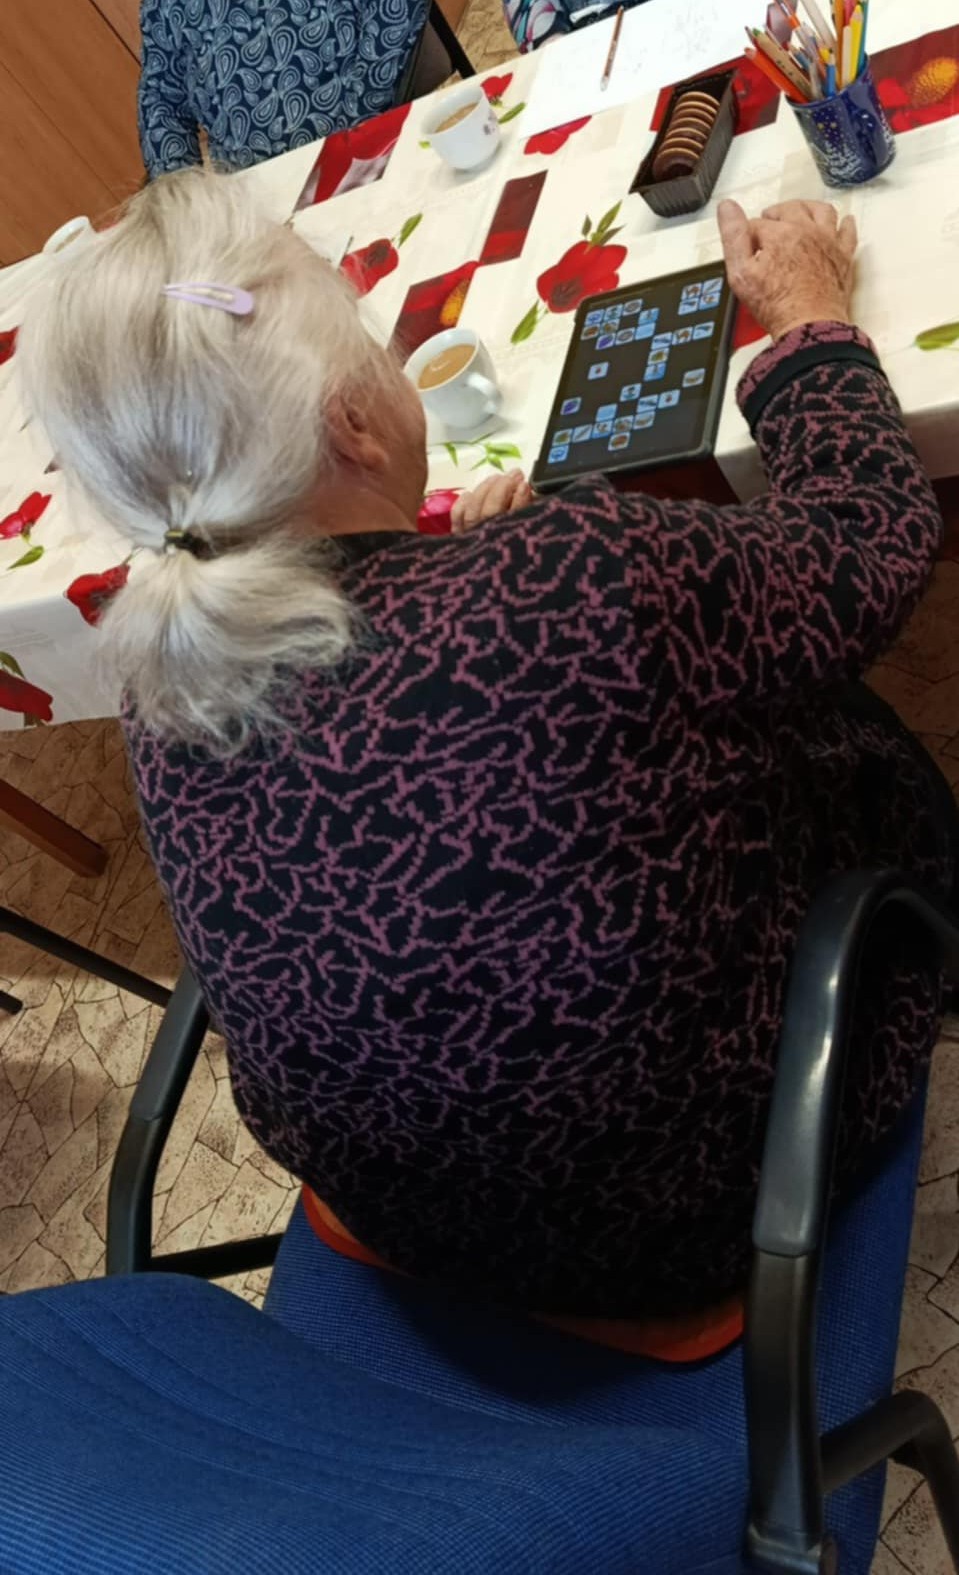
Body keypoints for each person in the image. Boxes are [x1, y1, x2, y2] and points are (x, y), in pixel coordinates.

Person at [20, 172, 957, 1344]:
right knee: (825, 716)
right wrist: (807, 315)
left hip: (415, 1221)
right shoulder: (562, 583)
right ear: (352, 425)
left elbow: (398, 757)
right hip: (698, 1214)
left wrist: (491, 578)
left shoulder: (159, 689)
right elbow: (869, 541)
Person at [138, 0, 429, 178]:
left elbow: (394, 13)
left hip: (367, 141)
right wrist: (181, 195)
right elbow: (160, 92)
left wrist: (355, 125)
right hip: (252, 192)